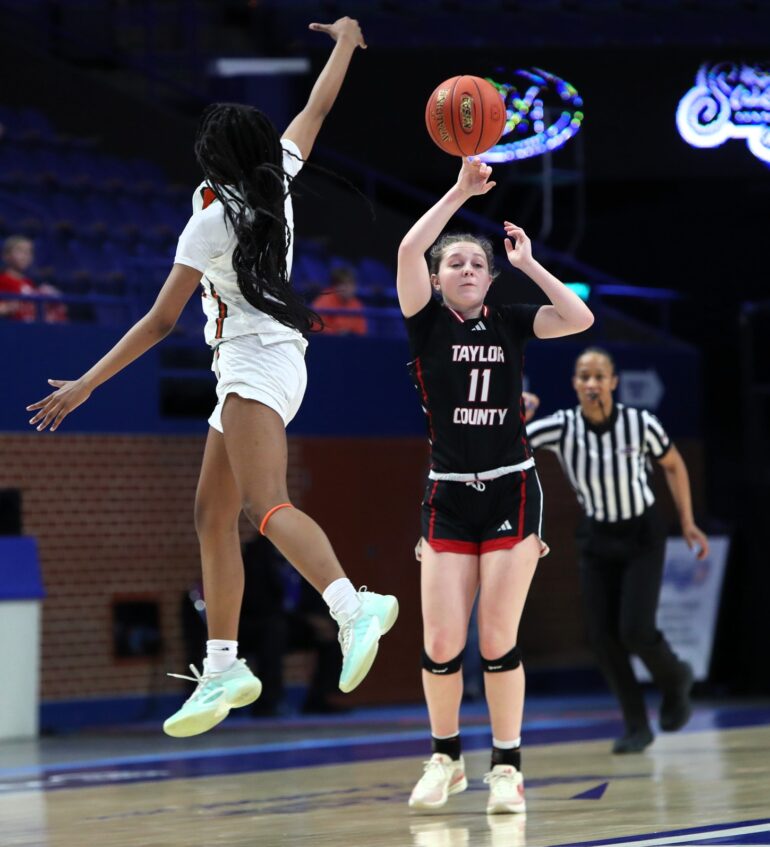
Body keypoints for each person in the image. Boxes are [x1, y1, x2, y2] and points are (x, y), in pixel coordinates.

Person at [26, 16, 398, 738]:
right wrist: (347, 44)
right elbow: (315, 110)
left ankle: (356, 608)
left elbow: (161, 322)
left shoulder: (209, 219)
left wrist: (86, 383)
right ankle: (224, 664)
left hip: (256, 363)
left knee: (264, 506)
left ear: (215, 155)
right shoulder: (279, 177)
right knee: (211, 514)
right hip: (264, 359)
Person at [397, 157, 593, 814]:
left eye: (478, 265)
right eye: (456, 264)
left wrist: (530, 263)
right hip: (447, 494)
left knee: (495, 638)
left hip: (511, 489)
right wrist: (457, 191)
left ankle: (506, 768)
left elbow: (579, 319)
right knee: (442, 642)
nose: (469, 271)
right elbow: (407, 246)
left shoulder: (510, 320)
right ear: (436, 277)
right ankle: (445, 758)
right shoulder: (424, 322)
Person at [525, 347, 709, 754]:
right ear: (574, 385)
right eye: (583, 377)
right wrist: (521, 415)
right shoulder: (560, 427)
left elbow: (674, 464)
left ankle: (676, 677)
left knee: (635, 630)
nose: (591, 384)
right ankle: (636, 726)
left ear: (613, 383)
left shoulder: (641, 424)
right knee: (603, 638)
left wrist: (688, 521)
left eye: (598, 376)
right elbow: (514, 447)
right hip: (596, 536)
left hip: (642, 534)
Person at [0, 235, 67, 323]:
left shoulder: (28, 282)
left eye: (29, 252)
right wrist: (9, 307)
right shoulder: (2, 280)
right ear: (6, 255)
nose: (25, 256)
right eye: (20, 251)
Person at [312, 264, 368, 335]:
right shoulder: (324, 301)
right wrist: (336, 333)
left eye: (351, 284)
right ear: (335, 286)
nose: (348, 288)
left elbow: (361, 331)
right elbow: (316, 327)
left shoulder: (356, 304)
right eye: (344, 284)